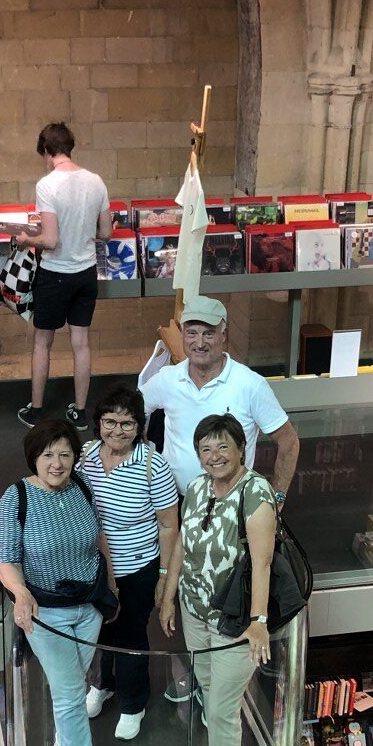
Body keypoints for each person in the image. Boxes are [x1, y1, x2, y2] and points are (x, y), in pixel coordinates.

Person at [140, 295, 299, 703]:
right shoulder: (167, 380)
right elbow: (132, 413)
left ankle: (226, 683)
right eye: (191, 332)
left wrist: (275, 502)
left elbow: (288, 441)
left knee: (231, 589)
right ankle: (200, 676)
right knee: (188, 587)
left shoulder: (249, 384)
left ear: (224, 335)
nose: (199, 342)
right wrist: (139, 462)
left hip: (233, 508)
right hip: (179, 503)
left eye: (208, 333)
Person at [160, 414, 277, 746]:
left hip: (234, 620)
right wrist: (169, 596)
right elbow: (182, 546)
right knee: (209, 692)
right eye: (206, 449)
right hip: (195, 611)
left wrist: (258, 622)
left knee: (224, 709)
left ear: (242, 448)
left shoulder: (256, 493)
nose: (215, 456)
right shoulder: (196, 488)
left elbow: (262, 563)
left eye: (223, 446)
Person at [0, 419, 122, 746]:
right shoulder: (16, 498)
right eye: (48, 454)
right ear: (34, 457)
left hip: (88, 606)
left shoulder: (81, 486)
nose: (57, 463)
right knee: (69, 694)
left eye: (65, 454)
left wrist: (111, 585)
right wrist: (20, 593)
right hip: (47, 613)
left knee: (72, 683)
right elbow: (7, 562)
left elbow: (98, 537)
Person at [77, 383, 179, 740]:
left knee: (131, 635)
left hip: (137, 568)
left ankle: (133, 703)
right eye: (110, 421)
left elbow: (169, 525)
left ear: (139, 427)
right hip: (93, 566)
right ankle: (102, 685)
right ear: (99, 423)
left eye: (127, 423)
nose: (117, 430)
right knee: (99, 629)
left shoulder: (153, 466)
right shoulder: (85, 456)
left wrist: (164, 576)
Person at [15, 122, 112, 431]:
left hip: (55, 273)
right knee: (81, 343)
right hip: (86, 273)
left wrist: (26, 239)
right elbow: (106, 232)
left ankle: (36, 411)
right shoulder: (96, 181)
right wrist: (81, 230)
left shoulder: (47, 185)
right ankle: (80, 413)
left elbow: (51, 240)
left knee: (42, 342)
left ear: (47, 150)